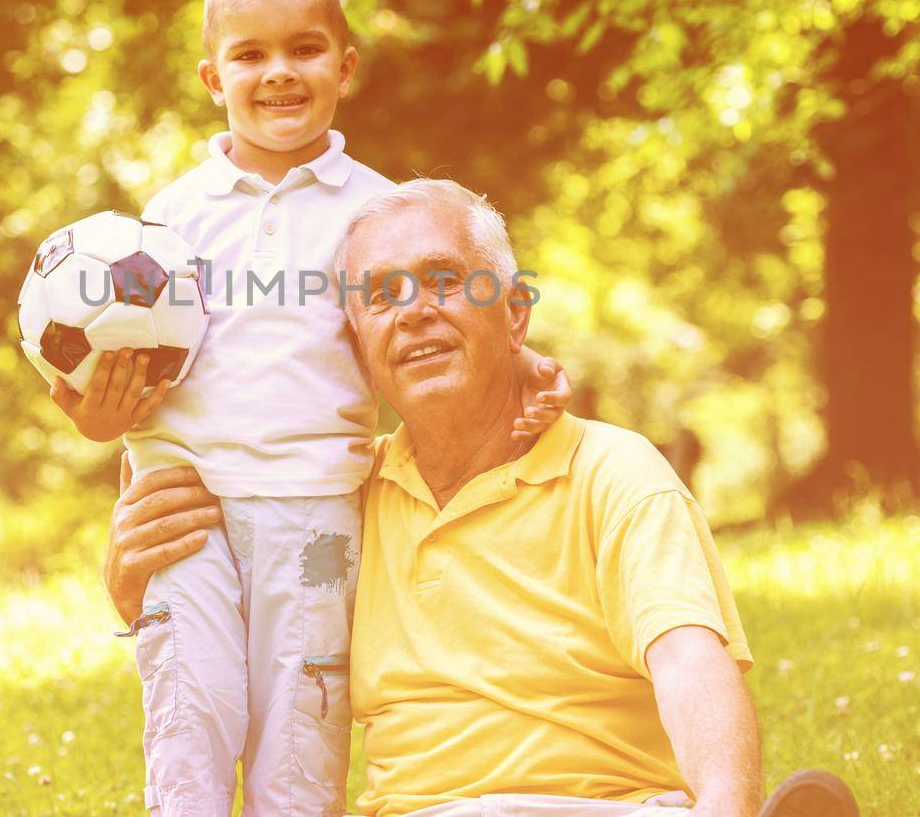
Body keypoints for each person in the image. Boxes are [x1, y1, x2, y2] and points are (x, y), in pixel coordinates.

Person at [105, 180, 860, 817]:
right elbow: (250, 634)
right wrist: (134, 587)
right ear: (358, 349)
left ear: (516, 314)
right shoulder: (341, 502)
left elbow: (690, 660)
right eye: (382, 297)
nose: (414, 311)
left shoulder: (610, 471)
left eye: (444, 281)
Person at [47, 0, 569, 816]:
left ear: (345, 66)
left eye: (305, 49)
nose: (279, 72)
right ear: (214, 78)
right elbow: (120, 369)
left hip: (320, 509)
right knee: (192, 714)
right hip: (187, 508)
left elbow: (446, 320)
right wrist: (101, 421)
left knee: (302, 728)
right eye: (250, 56)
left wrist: (524, 363)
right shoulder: (166, 221)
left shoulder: (378, 214)